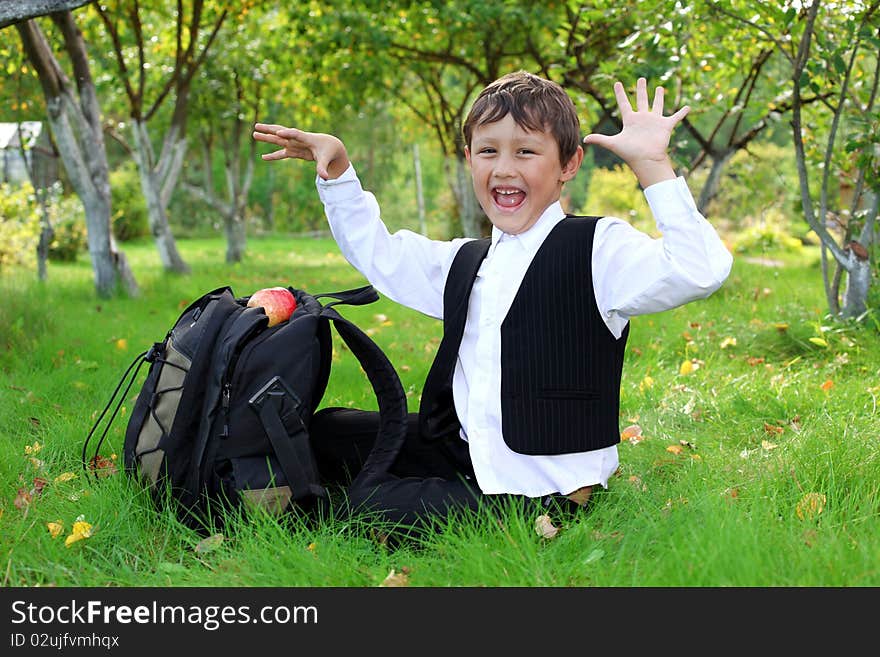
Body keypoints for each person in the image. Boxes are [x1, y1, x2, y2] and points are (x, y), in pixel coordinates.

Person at [253, 72, 733, 533]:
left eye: (526, 151)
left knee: (372, 505)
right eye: (488, 151)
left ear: (568, 164)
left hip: (542, 490)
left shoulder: (597, 249)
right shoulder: (468, 260)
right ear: (470, 159)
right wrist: (337, 170)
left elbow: (700, 269)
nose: (504, 168)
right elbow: (382, 254)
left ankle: (489, 512)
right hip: (467, 450)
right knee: (328, 431)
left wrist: (653, 166)